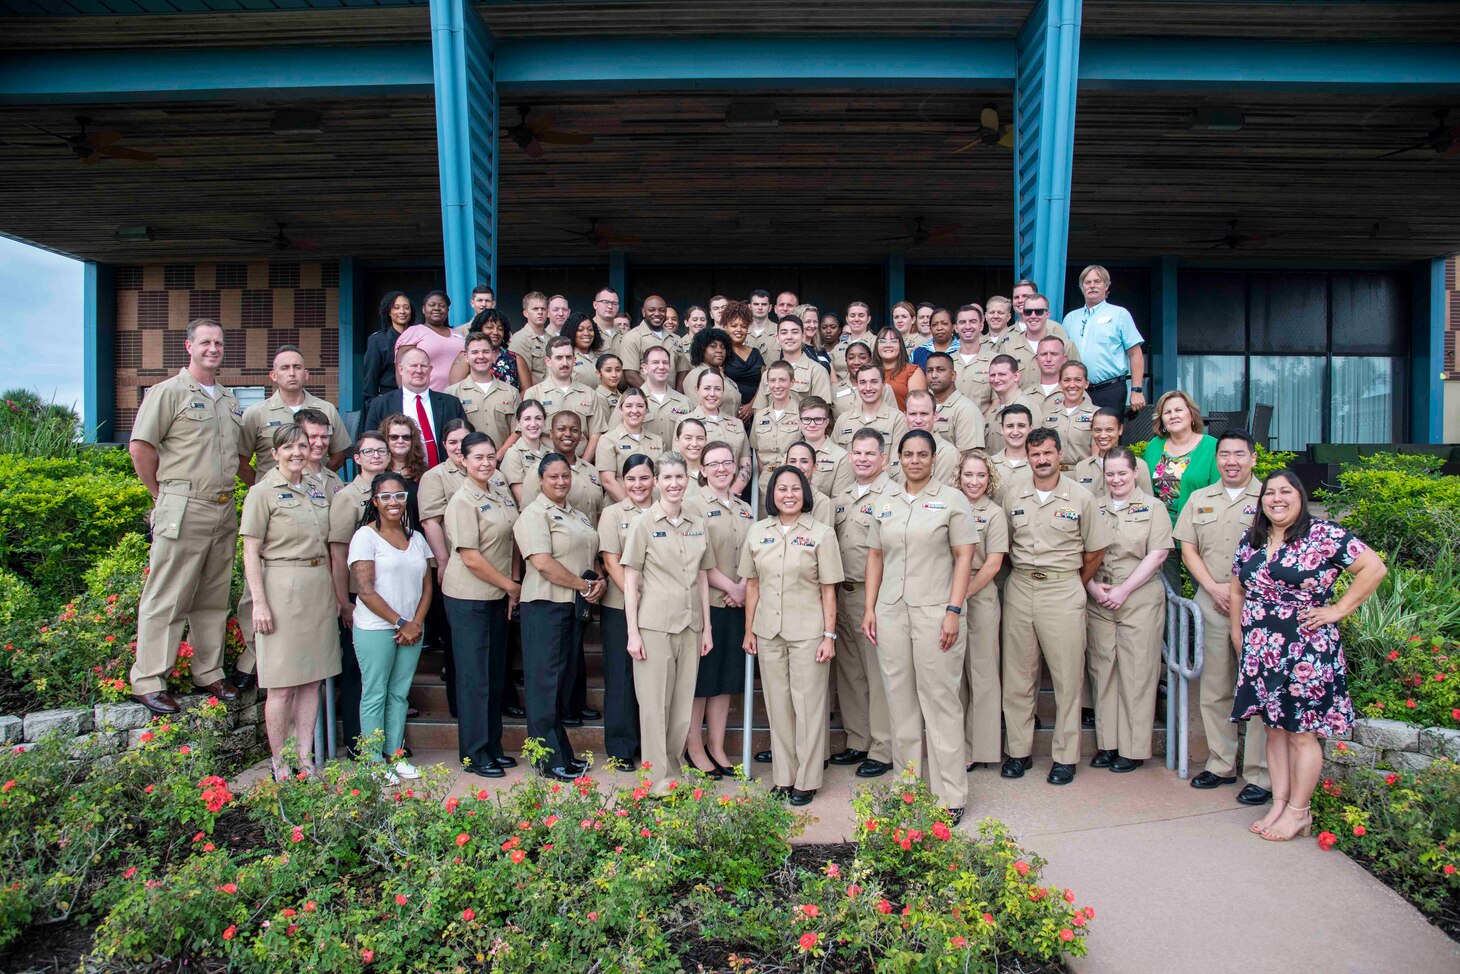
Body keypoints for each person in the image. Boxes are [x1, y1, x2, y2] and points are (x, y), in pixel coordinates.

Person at [1230, 471, 1386, 841]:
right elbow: (1237, 589)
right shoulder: (1252, 538)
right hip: (1261, 649)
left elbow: (1374, 568)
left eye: (1286, 492)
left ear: (1300, 497)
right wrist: (1238, 633)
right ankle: (1280, 805)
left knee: (1301, 733)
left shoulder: (1323, 535)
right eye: (1270, 493)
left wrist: (1337, 610)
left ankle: (1300, 811)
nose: (1277, 499)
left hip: (1306, 649)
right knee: (1273, 730)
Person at [128, 318, 247, 713]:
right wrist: (160, 495)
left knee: (212, 596)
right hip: (183, 503)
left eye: (219, 342)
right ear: (189, 347)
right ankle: (148, 678)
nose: (213, 348)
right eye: (206, 343)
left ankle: (208, 671)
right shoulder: (169, 392)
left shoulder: (230, 400)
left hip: (223, 505)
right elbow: (141, 447)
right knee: (167, 595)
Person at [862, 430, 975, 821]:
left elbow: (964, 557)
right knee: (900, 701)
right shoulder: (885, 501)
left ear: (933, 458)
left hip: (934, 612)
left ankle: (950, 796)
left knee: (940, 701)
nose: (914, 460)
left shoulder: (952, 499)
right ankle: (907, 788)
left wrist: (953, 610)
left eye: (922, 454)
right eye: (907, 454)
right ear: (898, 458)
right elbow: (875, 556)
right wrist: (870, 607)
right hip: (892, 610)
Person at [999, 428, 1109, 787]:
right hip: (1020, 587)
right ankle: (1018, 752)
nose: (1042, 460)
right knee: (1018, 676)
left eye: (1048, 453)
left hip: (1063, 588)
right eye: (1035, 455)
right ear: (1027, 457)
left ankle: (1065, 756)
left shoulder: (1080, 497)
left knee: (1066, 678)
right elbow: (1005, 544)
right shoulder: (1013, 494)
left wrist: (1073, 584)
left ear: (1060, 454)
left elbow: (1095, 551)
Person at [1172, 430, 1272, 804]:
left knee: (1259, 691)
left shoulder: (1270, 498)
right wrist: (1213, 588)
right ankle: (1220, 764)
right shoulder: (1199, 499)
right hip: (1211, 600)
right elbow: (1188, 548)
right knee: (1215, 687)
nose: (1232, 461)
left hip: (1259, 608)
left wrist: (1241, 593)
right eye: (1225, 454)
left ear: (1253, 458)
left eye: (1239, 454)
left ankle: (1261, 774)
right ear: (1216, 459)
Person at [740, 464, 845, 805]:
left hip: (809, 633)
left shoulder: (821, 534)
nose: (789, 495)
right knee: (779, 706)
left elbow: (829, 590)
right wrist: (749, 630)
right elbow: (752, 586)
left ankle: (807, 779)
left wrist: (829, 635)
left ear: (805, 493)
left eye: (795, 488)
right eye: (782, 489)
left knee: (808, 706)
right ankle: (784, 777)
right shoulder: (757, 532)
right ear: (771, 495)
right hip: (769, 631)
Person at [241, 424, 341, 780]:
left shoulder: (317, 488)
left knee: (312, 679)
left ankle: (305, 757)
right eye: (289, 447)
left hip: (318, 585)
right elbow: (250, 551)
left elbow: (330, 542)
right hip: (281, 585)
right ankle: (280, 761)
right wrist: (259, 603)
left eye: (303, 445)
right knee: (282, 684)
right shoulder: (262, 492)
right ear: (274, 451)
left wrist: (336, 595)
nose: (298, 452)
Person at [621, 452, 715, 795]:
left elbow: (703, 577)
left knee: (680, 706)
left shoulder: (697, 520)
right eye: (667, 478)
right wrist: (632, 632)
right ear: (656, 483)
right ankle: (655, 780)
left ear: (687, 480)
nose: (674, 484)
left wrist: (707, 627)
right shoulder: (643, 523)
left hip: (690, 625)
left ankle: (673, 771)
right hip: (655, 626)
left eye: (680, 477)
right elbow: (630, 580)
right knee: (654, 706)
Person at [513, 452, 605, 780]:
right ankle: (547, 761)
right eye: (553, 476)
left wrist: (598, 580)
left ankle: (563, 754)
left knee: (559, 684)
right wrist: (584, 585)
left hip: (571, 607)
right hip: (545, 607)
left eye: (565, 475)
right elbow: (542, 563)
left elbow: (590, 554)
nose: (560, 481)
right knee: (544, 686)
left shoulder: (577, 515)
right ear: (540, 480)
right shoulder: (535, 515)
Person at [1085, 447, 1172, 773]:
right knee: (1103, 670)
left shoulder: (1154, 508)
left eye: (1122, 473)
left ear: (1135, 473)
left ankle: (1133, 748)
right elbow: (1081, 550)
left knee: (1137, 672)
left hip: (1138, 597)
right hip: (1100, 597)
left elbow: (1158, 554)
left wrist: (1124, 590)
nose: (1116, 479)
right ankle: (1108, 743)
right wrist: (1092, 586)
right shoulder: (1095, 506)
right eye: (1110, 474)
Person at [443, 431, 522, 779]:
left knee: (493, 676)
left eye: (491, 456)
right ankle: (474, 754)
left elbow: (511, 543)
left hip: (496, 595)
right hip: (469, 598)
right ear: (463, 459)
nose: (486, 463)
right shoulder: (463, 500)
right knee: (475, 679)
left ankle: (492, 745)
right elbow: (471, 558)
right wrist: (511, 586)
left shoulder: (500, 492)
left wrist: (508, 588)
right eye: (478, 457)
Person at [348, 471, 433, 783]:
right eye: (386, 497)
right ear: (375, 501)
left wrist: (416, 624)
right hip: (376, 629)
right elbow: (365, 591)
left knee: (399, 694)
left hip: (410, 628)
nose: (393, 502)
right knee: (375, 693)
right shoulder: (365, 537)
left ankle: (394, 755)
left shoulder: (417, 538)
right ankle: (372, 763)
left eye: (399, 495)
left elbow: (427, 589)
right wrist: (400, 622)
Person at [685, 441, 755, 778]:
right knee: (701, 682)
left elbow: (752, 554)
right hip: (707, 606)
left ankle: (716, 745)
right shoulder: (692, 504)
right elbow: (696, 557)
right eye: (713, 464)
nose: (721, 469)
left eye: (727, 462)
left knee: (726, 679)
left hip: (736, 606)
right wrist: (734, 588)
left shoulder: (744, 508)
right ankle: (694, 747)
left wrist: (742, 586)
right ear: (702, 469)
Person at [830, 429, 895, 778]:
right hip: (843, 593)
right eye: (857, 453)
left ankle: (883, 748)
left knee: (877, 673)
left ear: (884, 458)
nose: (863, 459)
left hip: (876, 597)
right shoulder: (839, 498)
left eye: (870, 453)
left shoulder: (894, 496)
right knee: (851, 674)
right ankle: (858, 740)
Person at [327, 434, 392, 758]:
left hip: (390, 595)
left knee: (383, 676)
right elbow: (338, 556)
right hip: (359, 597)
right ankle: (357, 741)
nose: (377, 455)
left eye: (382, 450)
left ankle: (383, 740)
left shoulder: (392, 490)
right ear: (357, 457)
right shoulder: (347, 497)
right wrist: (344, 603)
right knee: (358, 673)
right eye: (369, 451)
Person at [596, 452, 657, 772]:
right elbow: (609, 560)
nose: (638, 484)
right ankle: (621, 747)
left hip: (660, 611)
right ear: (622, 482)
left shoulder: (666, 510)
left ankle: (651, 745)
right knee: (621, 678)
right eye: (631, 478)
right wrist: (637, 597)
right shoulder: (612, 513)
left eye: (644, 477)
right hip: (621, 607)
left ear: (654, 480)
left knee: (653, 679)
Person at [955, 450, 1009, 771]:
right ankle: (957, 745)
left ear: (989, 480)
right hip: (949, 593)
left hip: (979, 595)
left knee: (982, 672)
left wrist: (962, 595)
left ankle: (982, 748)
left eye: (981, 475)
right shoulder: (949, 506)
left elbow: (993, 563)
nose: (973, 482)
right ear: (958, 476)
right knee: (955, 676)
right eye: (968, 475)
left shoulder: (995, 514)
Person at [240, 344, 350, 483]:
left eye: (297, 367)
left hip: (316, 498)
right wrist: (263, 488)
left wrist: (316, 482)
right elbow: (241, 463)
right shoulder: (255, 413)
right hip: (274, 498)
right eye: (285, 367)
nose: (292, 373)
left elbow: (338, 457)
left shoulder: (327, 410)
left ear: (306, 374)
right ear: (273, 375)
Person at [360, 346, 468, 467]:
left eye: (424, 366)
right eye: (413, 365)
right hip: (398, 477)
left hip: (445, 475)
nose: (419, 370)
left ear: (430, 369)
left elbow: (466, 441)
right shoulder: (380, 405)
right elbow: (370, 444)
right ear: (401, 369)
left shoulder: (451, 403)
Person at [1062, 265, 1147, 416]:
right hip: (1076, 390)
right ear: (1081, 287)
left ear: (1106, 286)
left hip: (1110, 390)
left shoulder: (1119, 314)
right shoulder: (1070, 318)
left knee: (1108, 436)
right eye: (1087, 282)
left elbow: (1135, 354)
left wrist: (1137, 390)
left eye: (1097, 281)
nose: (1092, 286)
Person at [524, 336, 606, 463]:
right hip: (544, 465)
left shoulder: (589, 393)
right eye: (559, 358)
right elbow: (529, 435)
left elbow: (596, 435)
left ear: (574, 360)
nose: (565, 363)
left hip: (580, 462)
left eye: (568, 357)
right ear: (547, 361)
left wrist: (581, 465)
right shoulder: (534, 394)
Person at [1143, 390, 1218, 527]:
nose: (1173, 416)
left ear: (1191, 414)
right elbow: (1144, 490)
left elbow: (1218, 495)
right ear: (1161, 419)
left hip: (1198, 527)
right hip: (1158, 529)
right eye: (1167, 412)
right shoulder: (1153, 446)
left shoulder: (1212, 446)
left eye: (1178, 410)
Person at [447, 330, 521, 450]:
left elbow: (518, 430)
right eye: (475, 352)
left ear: (493, 355)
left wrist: (499, 456)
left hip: (503, 463)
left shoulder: (511, 392)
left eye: (485, 352)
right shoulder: (452, 393)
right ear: (466, 356)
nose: (480, 356)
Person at [687, 370, 752, 495]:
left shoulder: (737, 424)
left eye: (717, 389)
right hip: (696, 496)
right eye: (706, 388)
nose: (712, 394)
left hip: (731, 496)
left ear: (723, 391)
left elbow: (745, 464)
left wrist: (732, 492)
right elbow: (681, 465)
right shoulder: (685, 422)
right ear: (697, 390)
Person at [597, 387, 664, 503]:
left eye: (640, 406)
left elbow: (661, 477)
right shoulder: (608, 440)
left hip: (653, 509)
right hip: (620, 509)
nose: (634, 410)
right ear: (621, 410)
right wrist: (633, 509)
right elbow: (607, 480)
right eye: (628, 406)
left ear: (646, 410)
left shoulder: (657, 441)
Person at [1073, 408, 1153, 499]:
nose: (1103, 436)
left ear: (1120, 430)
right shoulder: (1081, 468)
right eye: (1098, 430)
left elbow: (1148, 505)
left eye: (1109, 430)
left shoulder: (1138, 465)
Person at [395, 290, 464, 393]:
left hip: (458, 396)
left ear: (447, 310)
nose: (437, 308)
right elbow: (401, 368)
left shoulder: (459, 334)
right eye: (432, 305)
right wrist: (405, 396)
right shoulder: (413, 332)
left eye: (442, 305)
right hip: (425, 396)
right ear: (423, 309)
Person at [756, 316, 832, 408]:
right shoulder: (768, 374)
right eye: (784, 332)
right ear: (777, 338)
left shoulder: (817, 371)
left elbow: (821, 412)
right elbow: (759, 413)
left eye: (795, 332)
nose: (789, 337)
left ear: (803, 337)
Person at [891, 390, 958, 487]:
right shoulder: (897, 449)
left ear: (935, 416)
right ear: (905, 416)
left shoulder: (947, 454)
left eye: (924, 414)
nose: (918, 420)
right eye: (913, 414)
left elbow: (940, 498)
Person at [834, 363, 908, 449]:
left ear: (883, 385)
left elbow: (897, 460)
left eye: (874, 382)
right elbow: (835, 459)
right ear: (857, 386)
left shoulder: (898, 420)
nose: (868, 388)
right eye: (863, 382)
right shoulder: (843, 420)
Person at [631, 345, 694, 446]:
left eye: (665, 363)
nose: (661, 367)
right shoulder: (630, 400)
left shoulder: (685, 402)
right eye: (655, 362)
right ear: (645, 368)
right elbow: (615, 437)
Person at [620, 294, 687, 389]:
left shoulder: (676, 338)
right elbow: (630, 375)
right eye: (652, 310)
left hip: (672, 400)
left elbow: (682, 370)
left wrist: (676, 396)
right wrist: (653, 396)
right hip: (645, 399)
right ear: (643, 312)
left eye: (662, 310)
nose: (657, 313)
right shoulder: (632, 337)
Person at [923, 352, 986, 452]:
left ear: (953, 375)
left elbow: (969, 458)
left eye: (940, 370)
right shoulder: (923, 407)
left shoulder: (966, 410)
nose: (934, 375)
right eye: (930, 371)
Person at [750, 361, 804, 475]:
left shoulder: (802, 414)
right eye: (772, 380)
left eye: (782, 380)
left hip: (794, 477)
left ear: (792, 382)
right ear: (767, 383)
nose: (777, 385)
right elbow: (757, 450)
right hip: (766, 480)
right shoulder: (760, 416)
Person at [363, 291, 414, 409]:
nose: (402, 311)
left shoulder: (419, 336)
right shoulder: (377, 340)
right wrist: (371, 405)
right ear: (389, 312)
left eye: (406, 307)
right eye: (396, 308)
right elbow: (371, 376)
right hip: (388, 398)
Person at [797, 396, 853, 500]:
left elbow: (839, 502)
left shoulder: (841, 458)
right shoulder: (790, 455)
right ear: (799, 423)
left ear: (826, 422)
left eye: (818, 419)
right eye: (806, 419)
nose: (812, 424)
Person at [983, 354, 1037, 454]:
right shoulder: (993, 411)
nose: (996, 379)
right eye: (992, 375)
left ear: (1016, 376)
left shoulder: (1026, 407)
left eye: (1002, 374)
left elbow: (1035, 447)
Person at [1045, 361, 1097, 464]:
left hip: (1083, 475)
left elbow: (1098, 458)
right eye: (1067, 380)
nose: (1072, 385)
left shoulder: (1097, 415)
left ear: (1086, 384)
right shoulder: (1049, 415)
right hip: (1054, 475)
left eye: (1078, 380)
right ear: (1060, 384)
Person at [685, 327, 742, 418]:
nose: (719, 350)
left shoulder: (725, 378)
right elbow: (698, 414)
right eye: (713, 346)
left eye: (723, 347)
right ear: (702, 349)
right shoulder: (695, 376)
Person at [722, 301, 765, 420]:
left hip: (756, 412)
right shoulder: (722, 353)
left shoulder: (756, 353)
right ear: (725, 327)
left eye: (743, 326)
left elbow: (764, 383)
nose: (739, 330)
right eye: (734, 325)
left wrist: (752, 406)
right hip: (729, 414)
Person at [502, 399, 549, 507]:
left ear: (544, 423)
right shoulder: (513, 454)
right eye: (527, 419)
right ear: (518, 424)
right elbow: (523, 500)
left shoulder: (551, 453)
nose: (533, 424)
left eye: (538, 418)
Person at [988, 404, 1034, 503]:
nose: (1015, 432)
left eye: (1021, 426)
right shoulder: (988, 464)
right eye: (1010, 426)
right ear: (1002, 429)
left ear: (1030, 429)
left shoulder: (1038, 464)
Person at [875, 326, 926, 411]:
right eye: (883, 341)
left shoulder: (912, 371)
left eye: (893, 341)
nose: (888, 345)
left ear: (900, 345)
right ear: (877, 346)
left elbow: (917, 409)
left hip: (901, 423)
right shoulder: (868, 372)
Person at [951, 305, 992, 409]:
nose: (968, 326)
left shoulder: (994, 361)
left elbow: (998, 400)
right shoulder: (947, 362)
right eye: (962, 322)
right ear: (955, 328)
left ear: (981, 325)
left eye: (973, 321)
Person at [508, 291, 551, 387]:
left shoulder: (552, 339)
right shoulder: (519, 339)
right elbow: (523, 377)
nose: (540, 312)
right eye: (535, 309)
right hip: (534, 396)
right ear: (525, 313)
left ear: (547, 312)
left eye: (543, 309)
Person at [379, 414, 427, 486]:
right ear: (385, 439)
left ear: (413, 440)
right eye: (394, 437)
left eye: (406, 437)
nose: (400, 441)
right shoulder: (377, 469)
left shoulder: (423, 472)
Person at [833, 302, 875, 377]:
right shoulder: (837, 347)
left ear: (868, 319)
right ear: (847, 319)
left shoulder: (876, 343)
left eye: (861, 316)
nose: (856, 319)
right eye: (852, 316)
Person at [568, 313, 604, 389]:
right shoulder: (566, 356)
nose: (586, 333)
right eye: (580, 330)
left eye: (590, 329)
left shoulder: (600, 355)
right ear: (572, 332)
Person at [746, 289, 778, 360]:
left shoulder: (779, 330)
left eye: (764, 304)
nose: (760, 308)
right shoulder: (741, 330)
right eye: (756, 304)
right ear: (749, 307)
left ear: (769, 308)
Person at [593, 353, 625, 420]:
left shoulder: (622, 395)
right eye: (608, 370)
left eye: (618, 370)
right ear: (598, 373)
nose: (614, 375)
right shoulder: (598, 397)